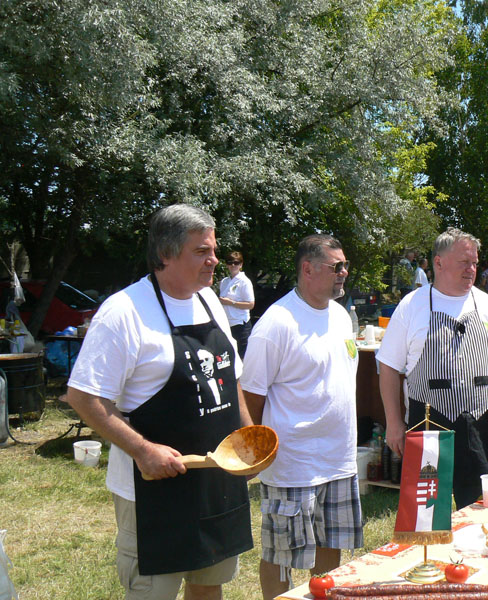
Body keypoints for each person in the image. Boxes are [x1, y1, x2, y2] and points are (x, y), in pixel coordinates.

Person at [65, 204, 253, 600]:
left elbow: (230, 377)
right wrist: (143, 450)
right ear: (166, 253)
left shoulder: (210, 302)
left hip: (214, 483)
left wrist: (249, 437)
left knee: (209, 587)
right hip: (152, 492)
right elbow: (83, 396)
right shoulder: (124, 312)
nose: (213, 260)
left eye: (214, 250)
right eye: (201, 251)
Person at [241, 234, 362, 600]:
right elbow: (250, 396)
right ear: (307, 269)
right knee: (282, 556)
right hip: (294, 463)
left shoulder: (340, 316)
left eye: (345, 266)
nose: (343, 273)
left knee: (330, 546)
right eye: (336, 266)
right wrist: (257, 454)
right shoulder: (276, 324)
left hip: (338, 460)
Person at [377, 227, 488, 509]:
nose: (472, 269)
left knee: (485, 509)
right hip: (429, 421)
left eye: (475, 263)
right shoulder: (412, 306)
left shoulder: (485, 304)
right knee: (427, 515)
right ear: (438, 263)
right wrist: (394, 422)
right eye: (464, 262)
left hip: (481, 419)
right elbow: (388, 367)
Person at [219, 251, 255, 358]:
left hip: (240, 325)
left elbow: (250, 304)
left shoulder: (244, 281)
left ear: (241, 264)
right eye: (230, 262)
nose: (233, 265)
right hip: (227, 324)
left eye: (236, 263)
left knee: (243, 358)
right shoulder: (224, 281)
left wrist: (231, 302)